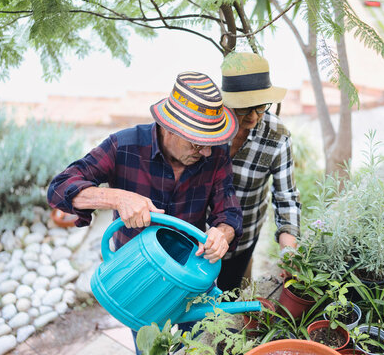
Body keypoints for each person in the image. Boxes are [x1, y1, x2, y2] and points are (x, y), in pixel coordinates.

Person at [47, 71, 243, 354]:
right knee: (151, 346)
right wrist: (117, 197)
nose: (206, 153)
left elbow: (230, 211)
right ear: (169, 128)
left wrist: (222, 234)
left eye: (210, 143)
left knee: (200, 342)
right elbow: (59, 188)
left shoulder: (216, 154)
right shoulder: (123, 146)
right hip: (138, 271)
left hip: (191, 271)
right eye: (196, 143)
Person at [217, 52, 302, 292]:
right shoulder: (207, 126)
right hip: (198, 235)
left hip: (242, 238)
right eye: (244, 108)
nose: (254, 116)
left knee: (228, 297)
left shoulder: (277, 136)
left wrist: (289, 249)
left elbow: (286, 198)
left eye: (261, 106)